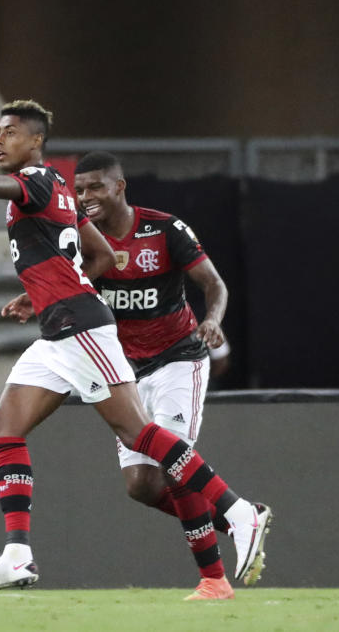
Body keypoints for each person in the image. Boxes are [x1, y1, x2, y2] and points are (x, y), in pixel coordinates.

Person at [0, 100, 271, 600]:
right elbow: (100, 254)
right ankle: (17, 554)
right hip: (56, 331)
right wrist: (41, 289)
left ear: (36, 142)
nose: (0, 140)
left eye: (11, 132)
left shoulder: (36, 179)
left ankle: (238, 511)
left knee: (138, 433)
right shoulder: (59, 192)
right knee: (5, 427)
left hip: (81, 327)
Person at [61, 150, 249, 599]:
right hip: (125, 370)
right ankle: (240, 520)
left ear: (120, 187)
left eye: (96, 187)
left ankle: (214, 580)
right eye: (80, 189)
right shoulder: (80, 240)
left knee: (175, 460)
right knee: (142, 486)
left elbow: (214, 284)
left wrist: (214, 319)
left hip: (178, 358)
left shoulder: (165, 229)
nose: (86, 197)